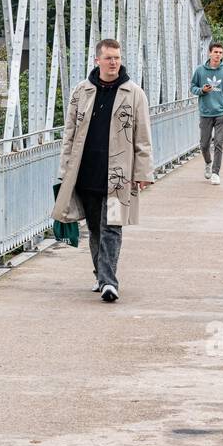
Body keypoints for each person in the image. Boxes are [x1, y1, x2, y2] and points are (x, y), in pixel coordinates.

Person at [52, 38, 154, 303]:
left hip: (119, 173)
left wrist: (143, 172)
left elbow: (143, 136)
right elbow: (69, 134)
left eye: (117, 58)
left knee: (112, 227)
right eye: (109, 58)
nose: (113, 63)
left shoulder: (134, 93)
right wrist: (64, 171)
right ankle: (101, 274)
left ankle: (109, 282)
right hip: (87, 172)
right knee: (96, 229)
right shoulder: (81, 92)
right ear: (97, 60)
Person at [190, 41, 223, 184]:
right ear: (209, 53)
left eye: (220, 52)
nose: (218, 55)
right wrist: (201, 90)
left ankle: (215, 173)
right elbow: (192, 87)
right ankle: (208, 162)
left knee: (219, 143)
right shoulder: (200, 70)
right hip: (205, 112)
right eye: (216, 52)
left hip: (221, 112)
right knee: (204, 144)